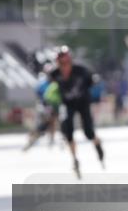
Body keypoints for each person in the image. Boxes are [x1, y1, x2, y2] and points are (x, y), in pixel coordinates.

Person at [50, 47, 105, 178]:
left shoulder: (81, 71)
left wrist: (95, 87)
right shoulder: (55, 74)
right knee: (68, 131)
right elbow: (51, 89)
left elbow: (93, 80)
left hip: (83, 102)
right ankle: (75, 159)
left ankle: (98, 146)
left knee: (88, 132)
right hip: (68, 103)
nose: (65, 67)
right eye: (62, 64)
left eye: (67, 63)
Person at [23, 63, 61, 151]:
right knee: (43, 122)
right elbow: (39, 93)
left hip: (53, 105)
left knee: (52, 122)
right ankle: (33, 137)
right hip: (44, 104)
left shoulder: (56, 82)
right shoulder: (43, 82)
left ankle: (51, 139)